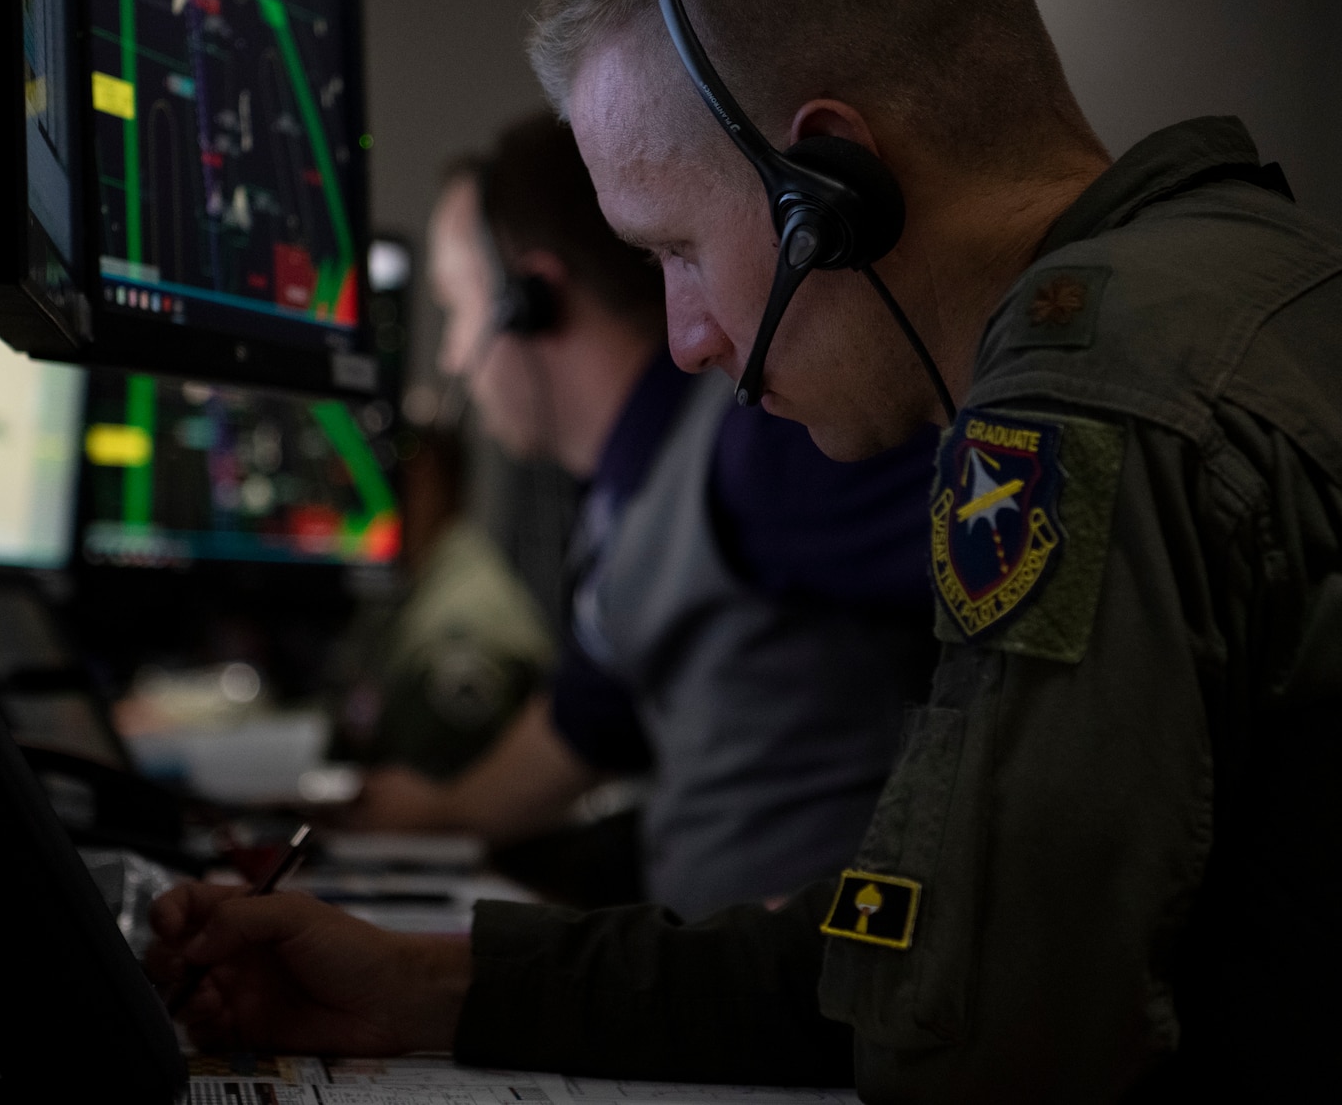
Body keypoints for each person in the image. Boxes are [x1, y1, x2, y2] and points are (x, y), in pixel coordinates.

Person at [146, 0, 1342, 1100]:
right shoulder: (1292, 296)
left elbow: (978, 1039)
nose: (690, 339)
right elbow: (936, 944)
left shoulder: (1091, 401)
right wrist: (425, 983)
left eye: (676, 253)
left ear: (834, 187)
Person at [353, 113, 937, 920]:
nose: (454, 357)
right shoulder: (636, 487)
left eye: (457, 310)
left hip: (820, 1002)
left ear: (533, 302)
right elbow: (592, 715)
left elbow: (1030, 603)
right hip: (709, 987)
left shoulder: (765, 448)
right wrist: (444, 810)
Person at [334, 425, 556, 782]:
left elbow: (443, 789)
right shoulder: (409, 583)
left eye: (364, 481)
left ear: (426, 483)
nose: (348, 504)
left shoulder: (460, 622)